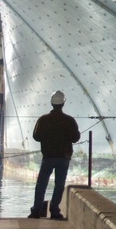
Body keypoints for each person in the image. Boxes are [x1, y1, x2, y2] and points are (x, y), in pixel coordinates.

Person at [28, 90, 80, 220]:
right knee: (59, 184)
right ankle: (55, 211)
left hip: (48, 156)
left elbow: (36, 136)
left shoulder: (43, 119)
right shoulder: (69, 120)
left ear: (51, 103)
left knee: (41, 184)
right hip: (64, 157)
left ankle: (36, 211)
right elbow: (75, 138)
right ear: (63, 103)